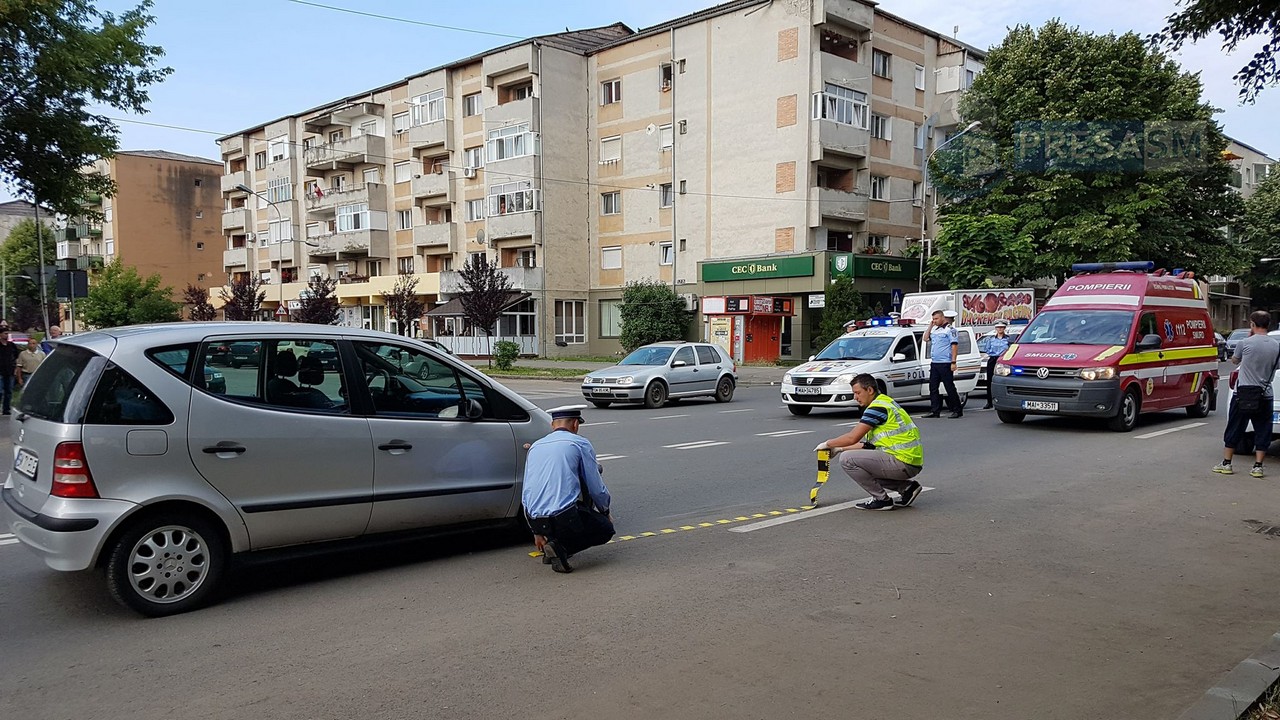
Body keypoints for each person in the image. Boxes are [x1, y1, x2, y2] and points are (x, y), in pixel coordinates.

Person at [522, 404, 615, 573]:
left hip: (536, 519)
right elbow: (595, 487)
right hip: (563, 516)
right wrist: (605, 511)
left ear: (552, 425)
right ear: (575, 424)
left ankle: (552, 545)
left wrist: (536, 532)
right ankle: (560, 548)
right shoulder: (579, 443)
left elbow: (527, 491)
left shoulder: (535, 446)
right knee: (605, 530)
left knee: (559, 509)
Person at [814, 373, 925, 511]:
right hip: (910, 461)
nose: (855, 397)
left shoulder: (877, 408)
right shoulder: (885, 402)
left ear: (870, 390)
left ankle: (882, 500)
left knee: (847, 460)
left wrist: (828, 444)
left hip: (903, 462)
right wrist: (839, 449)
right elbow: (868, 445)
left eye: (858, 393)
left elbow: (852, 438)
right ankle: (907, 488)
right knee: (857, 462)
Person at [1214, 310, 1280, 479]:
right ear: (1268, 324)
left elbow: (1234, 360)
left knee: (1235, 427)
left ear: (1252, 324)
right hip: (1265, 394)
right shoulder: (1276, 346)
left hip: (1243, 393)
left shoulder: (1245, 343)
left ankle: (1227, 463)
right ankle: (1258, 466)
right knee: (1263, 429)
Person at [923, 309, 962, 418]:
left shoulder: (950, 330)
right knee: (933, 387)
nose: (934, 321)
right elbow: (925, 338)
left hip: (945, 363)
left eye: (936, 319)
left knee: (949, 387)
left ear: (942, 318)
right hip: (935, 363)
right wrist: (930, 326)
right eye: (933, 319)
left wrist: (953, 362)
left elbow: (954, 346)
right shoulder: (935, 330)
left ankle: (957, 410)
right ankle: (935, 411)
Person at [978, 320, 1012, 409]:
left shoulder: (1008, 339)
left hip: (1002, 360)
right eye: (998, 327)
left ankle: (1003, 401)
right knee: (989, 381)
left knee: (1002, 380)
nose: (1000, 329)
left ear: (1004, 328)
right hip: (993, 359)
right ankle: (989, 402)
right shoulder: (991, 339)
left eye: (1001, 327)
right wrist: (993, 353)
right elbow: (987, 349)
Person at [0, 332, 19, 415]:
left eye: (7, 333)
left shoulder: (12, 345)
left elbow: (16, 357)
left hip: (10, 371)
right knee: (0, 391)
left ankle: (6, 409)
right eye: (5, 333)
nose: (6, 335)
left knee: (9, 391)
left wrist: (15, 368)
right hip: (0, 371)